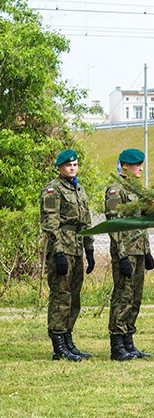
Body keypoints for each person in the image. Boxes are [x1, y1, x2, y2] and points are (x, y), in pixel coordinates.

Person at [40, 149, 95, 362]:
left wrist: (89, 250)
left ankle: (68, 338)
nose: (72, 168)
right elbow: (50, 223)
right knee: (60, 296)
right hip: (61, 248)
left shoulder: (79, 189)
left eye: (75, 164)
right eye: (68, 165)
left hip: (77, 247)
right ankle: (58, 343)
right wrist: (59, 252)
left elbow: (86, 221)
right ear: (60, 167)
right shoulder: (52, 190)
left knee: (74, 297)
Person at [106, 148, 153, 361]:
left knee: (135, 297)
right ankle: (117, 343)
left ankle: (128, 341)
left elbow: (142, 223)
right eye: (137, 165)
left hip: (139, 250)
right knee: (123, 296)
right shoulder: (116, 191)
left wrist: (148, 251)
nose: (140, 169)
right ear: (125, 166)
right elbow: (114, 225)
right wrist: (122, 255)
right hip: (125, 252)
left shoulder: (136, 190)